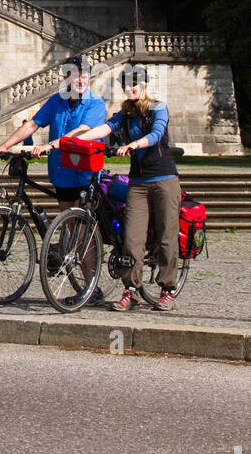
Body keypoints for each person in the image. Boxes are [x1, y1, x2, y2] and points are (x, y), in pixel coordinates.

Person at [0, 55, 107, 299]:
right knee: (70, 226)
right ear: (66, 78)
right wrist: (5, 145)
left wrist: (51, 145)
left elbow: (83, 131)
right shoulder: (56, 101)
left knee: (81, 231)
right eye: (75, 75)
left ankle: (91, 288)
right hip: (62, 174)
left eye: (85, 75)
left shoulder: (96, 104)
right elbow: (32, 125)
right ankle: (78, 275)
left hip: (85, 174)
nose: (81, 79)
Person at [75, 63, 182, 312]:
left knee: (166, 236)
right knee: (132, 239)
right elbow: (104, 128)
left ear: (144, 85)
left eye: (134, 83)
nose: (130, 88)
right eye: (126, 84)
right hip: (138, 184)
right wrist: (74, 139)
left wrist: (135, 145)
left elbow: (156, 134)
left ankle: (168, 289)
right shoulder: (125, 113)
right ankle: (131, 290)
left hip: (164, 179)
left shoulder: (158, 107)